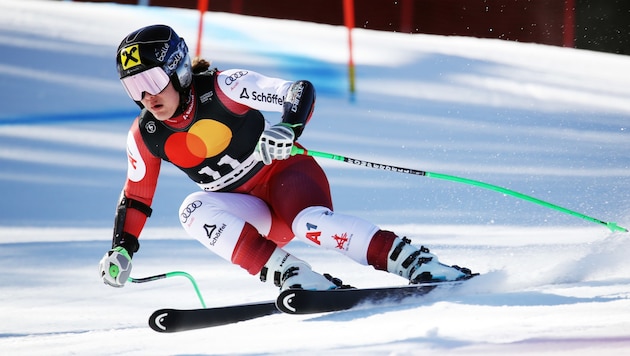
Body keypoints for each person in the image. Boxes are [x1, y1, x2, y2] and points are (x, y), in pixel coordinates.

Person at [99, 24, 474, 292]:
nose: (146, 97)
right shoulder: (145, 135)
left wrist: (288, 128)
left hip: (287, 179)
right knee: (192, 209)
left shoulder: (225, 87)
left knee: (311, 225)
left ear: (178, 70)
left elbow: (297, 91)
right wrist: (122, 248)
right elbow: (136, 197)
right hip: (251, 210)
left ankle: (416, 262)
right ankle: (295, 277)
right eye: (134, 87)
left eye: (151, 81)